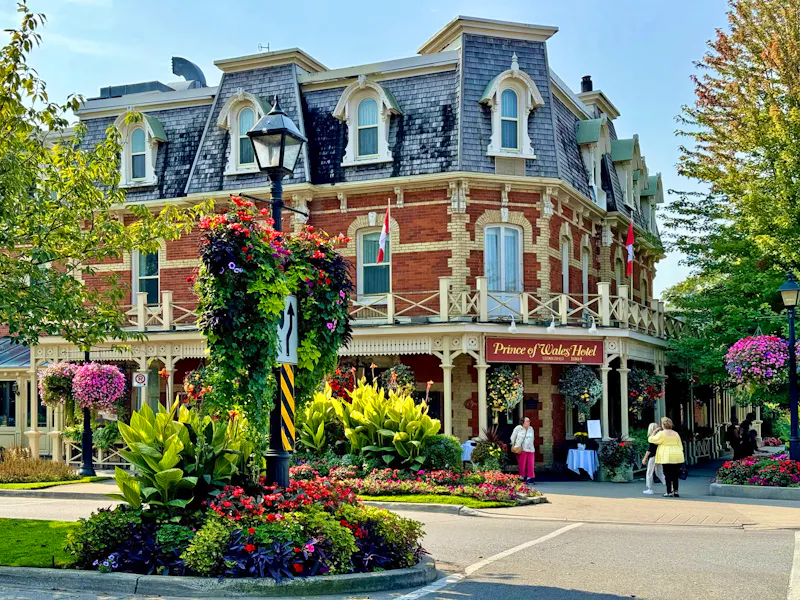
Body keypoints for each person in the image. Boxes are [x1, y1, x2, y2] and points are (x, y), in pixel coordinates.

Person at [648, 417, 685, 497]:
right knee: (675, 474)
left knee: (667, 474)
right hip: (676, 455)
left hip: (666, 455)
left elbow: (651, 440)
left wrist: (653, 433)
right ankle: (676, 491)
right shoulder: (675, 433)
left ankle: (668, 492)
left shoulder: (661, 434)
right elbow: (680, 445)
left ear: (663, 425)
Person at [641, 422, 665, 495]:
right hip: (660, 456)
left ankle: (649, 488)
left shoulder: (653, 438)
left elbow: (650, 449)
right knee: (659, 472)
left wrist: (644, 458)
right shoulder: (660, 437)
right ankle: (670, 486)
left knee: (649, 472)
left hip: (653, 456)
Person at [511, 416, 536, 484]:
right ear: (523, 422)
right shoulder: (518, 428)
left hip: (530, 449)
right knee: (522, 464)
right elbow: (513, 437)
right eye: (527, 421)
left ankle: (530, 477)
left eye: (529, 421)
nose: (529, 422)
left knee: (530, 464)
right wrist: (514, 445)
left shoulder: (531, 429)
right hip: (521, 449)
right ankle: (522, 477)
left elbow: (532, 438)